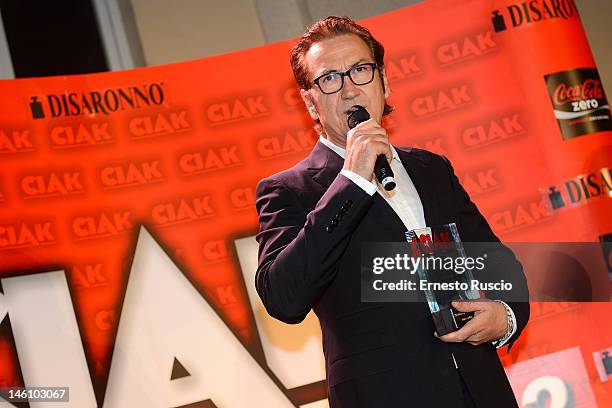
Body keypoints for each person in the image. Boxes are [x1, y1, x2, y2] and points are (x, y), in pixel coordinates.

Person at [255, 16, 529, 408]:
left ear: (383, 81)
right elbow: (283, 298)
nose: (349, 89)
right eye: (329, 78)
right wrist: (351, 180)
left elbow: (500, 267)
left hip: (482, 393)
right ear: (310, 102)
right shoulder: (288, 191)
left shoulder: (431, 169)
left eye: (360, 70)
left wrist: (505, 317)